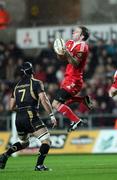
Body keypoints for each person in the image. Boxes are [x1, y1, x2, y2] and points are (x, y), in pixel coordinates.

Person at [0, 62, 57, 171]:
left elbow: (11, 106)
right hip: (30, 115)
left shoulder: (16, 86)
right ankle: (39, 165)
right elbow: (44, 100)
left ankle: (5, 155)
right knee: (46, 140)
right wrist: (51, 115)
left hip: (19, 118)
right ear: (32, 71)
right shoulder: (36, 83)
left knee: (24, 143)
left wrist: (21, 109)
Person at [52, 25, 92, 132]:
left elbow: (75, 63)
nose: (73, 32)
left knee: (55, 104)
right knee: (63, 104)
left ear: (82, 36)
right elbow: (62, 58)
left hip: (74, 79)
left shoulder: (83, 47)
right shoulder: (69, 42)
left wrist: (67, 52)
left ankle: (77, 120)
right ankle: (82, 100)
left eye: (76, 32)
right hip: (67, 78)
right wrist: (59, 51)